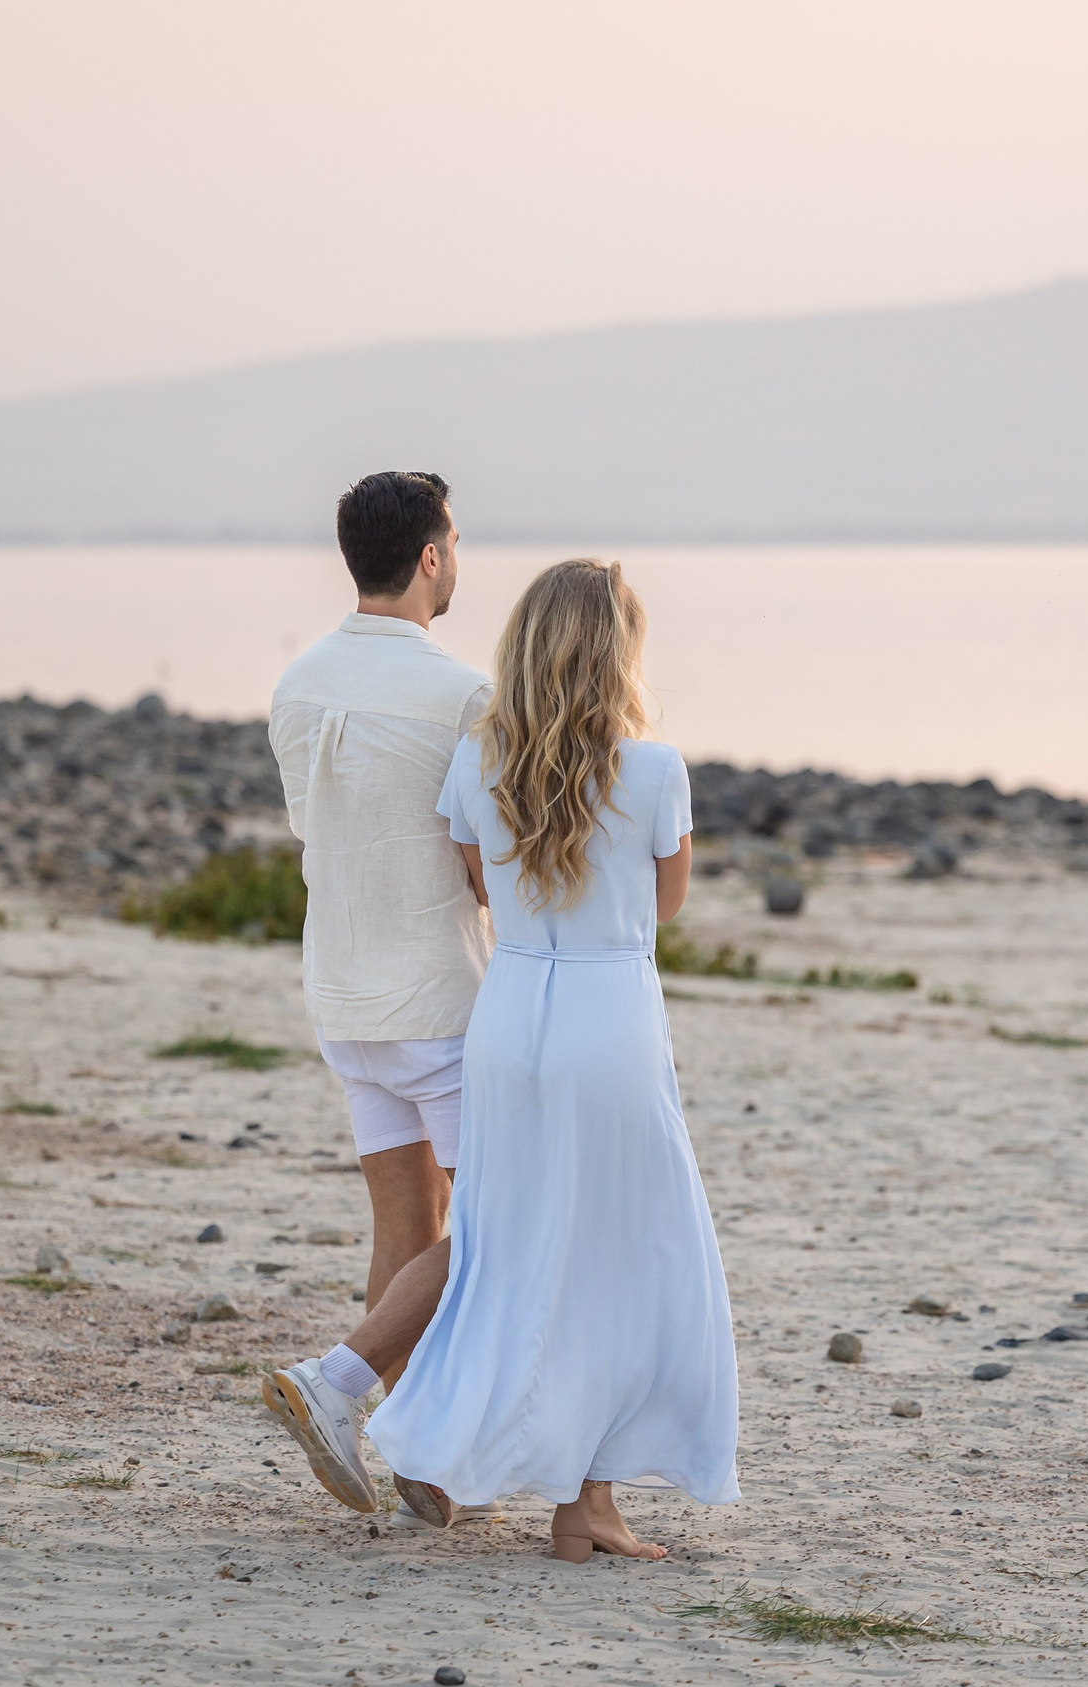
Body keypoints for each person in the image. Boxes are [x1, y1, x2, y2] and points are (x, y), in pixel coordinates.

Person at [364, 558, 741, 1562]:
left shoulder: (479, 762)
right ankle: (585, 1504)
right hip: (609, 1018)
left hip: (512, 1016)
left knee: (513, 1246)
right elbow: (665, 904)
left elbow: (482, 887)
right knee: (624, 1257)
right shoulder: (654, 770)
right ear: (618, 652)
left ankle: (498, 1464)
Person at [259, 471, 496, 1519]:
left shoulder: (298, 683)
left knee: (405, 1233)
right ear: (431, 557)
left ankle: (420, 1467)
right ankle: (338, 1380)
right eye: (457, 543)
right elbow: (484, 864)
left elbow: (315, 829)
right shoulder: (463, 695)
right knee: (495, 1231)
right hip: (437, 999)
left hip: (342, 993)